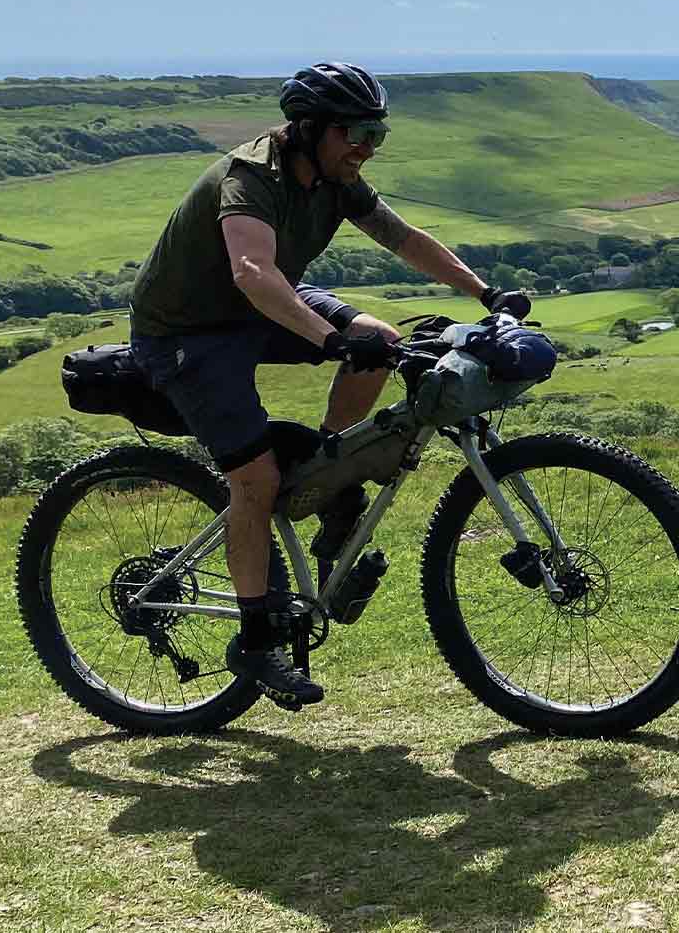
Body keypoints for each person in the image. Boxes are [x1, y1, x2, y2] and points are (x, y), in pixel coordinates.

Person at [128, 62, 526, 705]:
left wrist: (483, 292)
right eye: (356, 133)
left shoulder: (339, 179)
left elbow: (405, 239)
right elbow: (253, 270)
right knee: (253, 481)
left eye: (377, 134)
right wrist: (327, 339)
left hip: (263, 301)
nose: (367, 148)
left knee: (383, 341)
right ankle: (255, 641)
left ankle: (328, 477)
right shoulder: (250, 176)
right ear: (310, 130)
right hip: (190, 330)